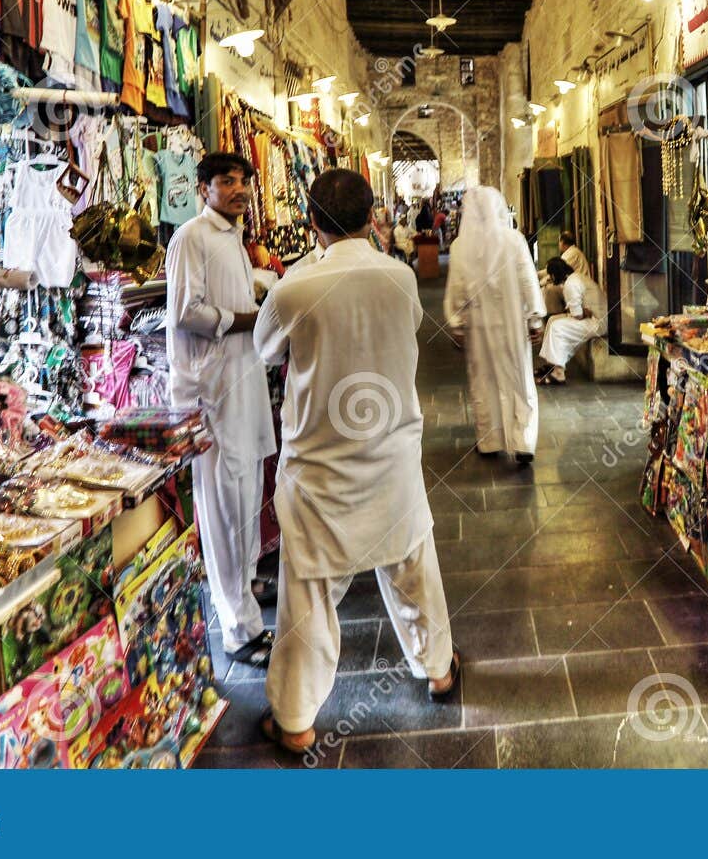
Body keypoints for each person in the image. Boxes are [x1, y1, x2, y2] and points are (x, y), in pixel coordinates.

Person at [253, 168, 459, 754]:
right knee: (414, 568)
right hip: (391, 453)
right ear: (373, 218)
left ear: (313, 222)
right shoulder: (400, 278)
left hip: (321, 466)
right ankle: (438, 670)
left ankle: (296, 721)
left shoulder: (293, 289)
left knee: (309, 593)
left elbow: (266, 350)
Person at [165, 152, 279, 670]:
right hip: (213, 392)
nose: (238, 189)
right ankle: (237, 629)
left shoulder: (231, 237)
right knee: (224, 508)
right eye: (226, 181)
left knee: (248, 496)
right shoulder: (192, 236)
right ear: (203, 187)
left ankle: (247, 599)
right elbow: (186, 313)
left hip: (244, 385)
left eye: (243, 182)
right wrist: (248, 318)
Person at [445, 186, 545, 464]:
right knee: (519, 379)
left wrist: (458, 324)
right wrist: (534, 317)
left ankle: (489, 441)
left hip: (480, 327)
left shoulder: (459, 247)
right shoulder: (514, 240)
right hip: (512, 324)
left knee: (483, 380)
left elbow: (457, 289)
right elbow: (527, 279)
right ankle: (523, 440)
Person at [536, 257, 606, 385]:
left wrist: (583, 312)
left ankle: (558, 373)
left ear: (554, 274)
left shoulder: (570, 284)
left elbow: (577, 315)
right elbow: (579, 312)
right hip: (592, 318)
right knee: (552, 320)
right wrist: (584, 311)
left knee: (557, 327)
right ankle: (551, 364)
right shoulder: (574, 277)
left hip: (597, 322)